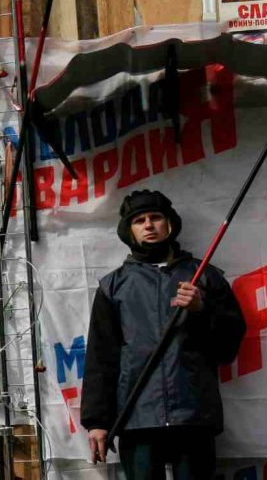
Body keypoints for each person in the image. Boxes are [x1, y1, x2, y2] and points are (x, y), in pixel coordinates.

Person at [81, 190, 246, 480]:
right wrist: (97, 421)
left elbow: (228, 347)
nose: (148, 225)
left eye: (156, 217)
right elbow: (101, 358)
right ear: (128, 230)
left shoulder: (204, 277)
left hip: (193, 416)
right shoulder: (113, 286)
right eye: (139, 220)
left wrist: (201, 309)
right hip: (136, 418)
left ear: (170, 223)